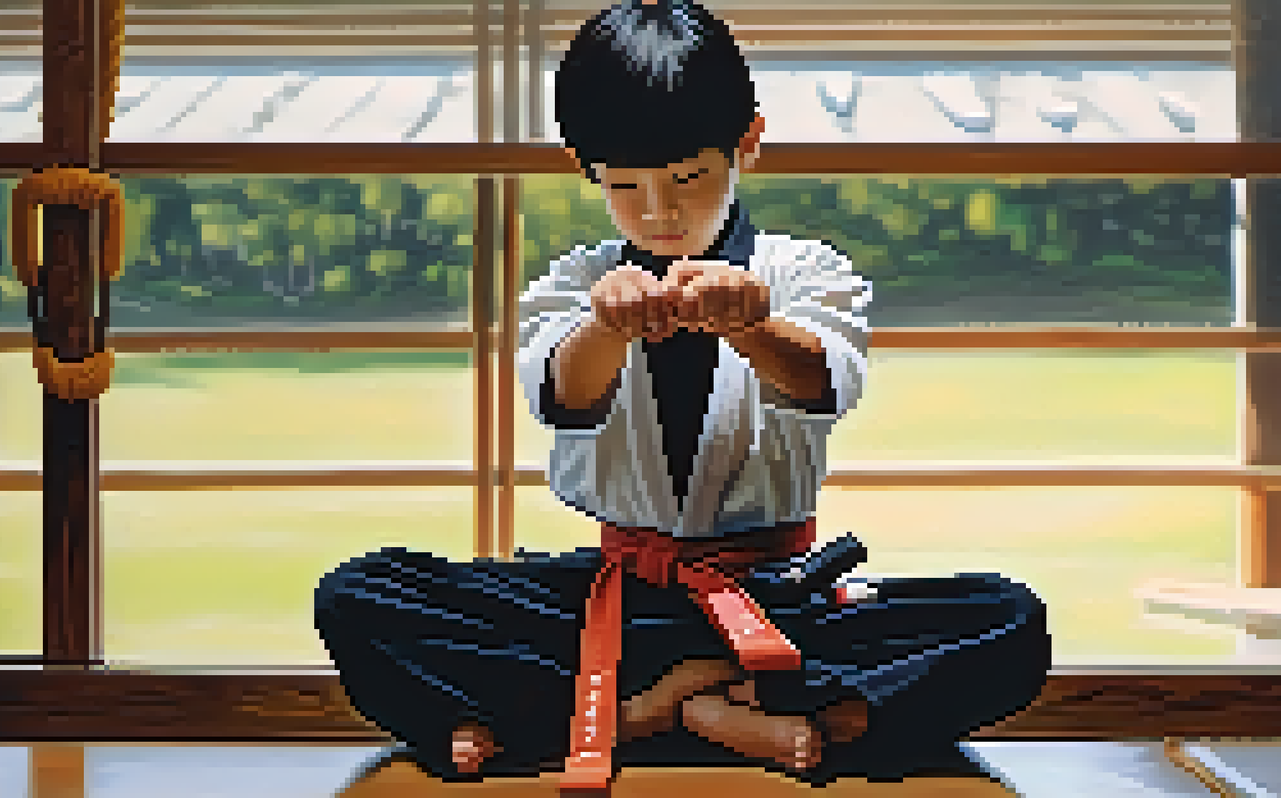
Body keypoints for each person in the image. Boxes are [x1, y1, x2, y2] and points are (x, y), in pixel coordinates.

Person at [315, 0, 1051, 790]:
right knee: (359, 594)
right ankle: (714, 710)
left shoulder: (806, 273)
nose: (658, 210)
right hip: (619, 593)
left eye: (688, 178)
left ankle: (578, 718)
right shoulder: (579, 283)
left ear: (748, 142)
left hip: (777, 594)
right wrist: (605, 327)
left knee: (1008, 618)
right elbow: (562, 393)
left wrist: (752, 325)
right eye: (624, 184)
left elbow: (824, 380)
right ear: (586, 169)